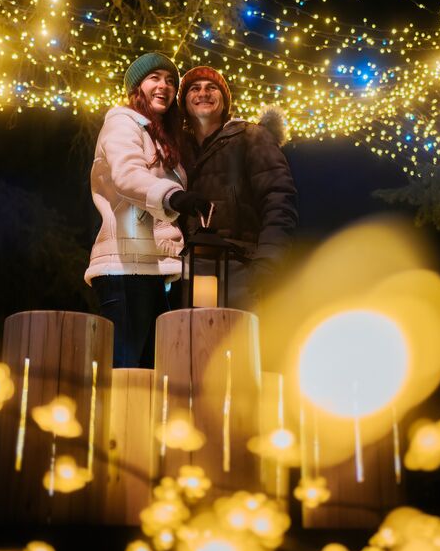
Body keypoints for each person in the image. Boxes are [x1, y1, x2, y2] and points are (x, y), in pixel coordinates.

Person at [85, 52, 211, 367]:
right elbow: (127, 176)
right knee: (125, 369)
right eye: (155, 78)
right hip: (123, 265)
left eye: (170, 81)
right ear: (136, 87)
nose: (164, 86)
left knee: (151, 371)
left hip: (148, 268)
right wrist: (174, 197)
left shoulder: (159, 137)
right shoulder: (122, 123)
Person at [177, 66, 298, 310]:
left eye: (212, 88)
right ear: (184, 103)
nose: (203, 93)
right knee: (195, 342)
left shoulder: (251, 137)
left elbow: (278, 199)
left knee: (239, 343)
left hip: (241, 266)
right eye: (194, 88)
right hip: (190, 269)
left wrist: (268, 260)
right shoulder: (178, 150)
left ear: (224, 102)